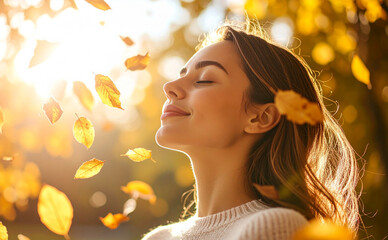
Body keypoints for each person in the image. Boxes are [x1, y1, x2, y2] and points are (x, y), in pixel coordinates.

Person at [142, 20, 361, 240]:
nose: (169, 87)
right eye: (182, 75)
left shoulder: (272, 227)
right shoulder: (158, 237)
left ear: (260, 117)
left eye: (204, 80)